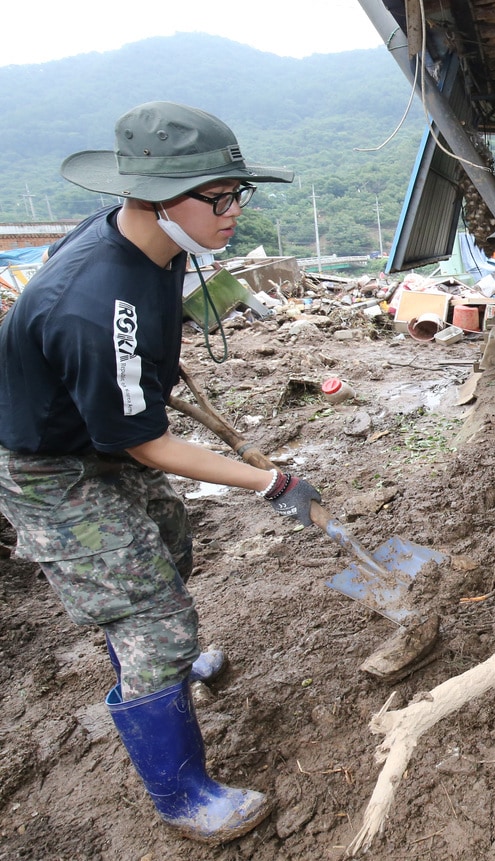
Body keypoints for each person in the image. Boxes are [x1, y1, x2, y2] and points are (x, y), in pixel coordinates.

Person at [0, 102, 321, 842]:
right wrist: (271, 482)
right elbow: (146, 443)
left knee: (169, 537)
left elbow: (137, 369)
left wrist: (146, 368)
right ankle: (183, 794)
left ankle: (162, 659)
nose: (233, 210)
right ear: (151, 196)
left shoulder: (165, 242)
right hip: (47, 462)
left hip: (99, 428)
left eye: (237, 193)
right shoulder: (87, 301)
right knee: (152, 613)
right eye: (219, 197)